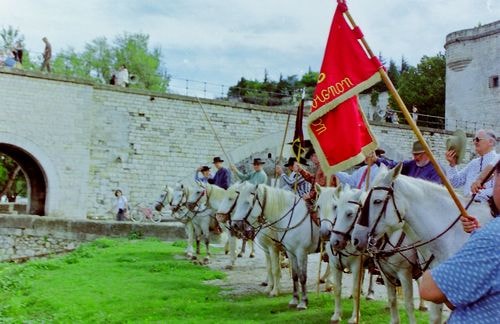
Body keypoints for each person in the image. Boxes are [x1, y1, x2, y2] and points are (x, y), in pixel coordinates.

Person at [419, 161, 500, 324]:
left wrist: (481, 239)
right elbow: (453, 299)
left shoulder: (493, 237)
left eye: (495, 177)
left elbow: (430, 289)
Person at [446, 129, 498, 202]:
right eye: (474, 140)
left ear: (491, 142)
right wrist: (452, 164)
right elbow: (455, 183)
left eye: (477, 139)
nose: (474, 142)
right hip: (469, 208)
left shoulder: (498, 161)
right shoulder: (473, 163)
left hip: (488, 210)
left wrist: (474, 196)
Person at [295, 147, 337, 225]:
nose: (312, 158)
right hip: (323, 196)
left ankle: (321, 231)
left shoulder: (324, 166)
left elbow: (320, 185)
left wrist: (310, 195)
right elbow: (313, 180)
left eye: (313, 156)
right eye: (311, 157)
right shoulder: (319, 167)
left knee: (309, 208)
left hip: (327, 198)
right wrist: (301, 170)